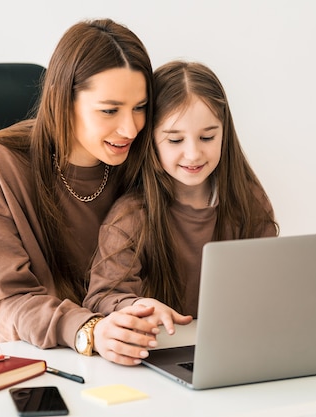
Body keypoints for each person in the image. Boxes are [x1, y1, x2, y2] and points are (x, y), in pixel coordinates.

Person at [0, 18, 161, 366]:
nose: (130, 127)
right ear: (62, 100)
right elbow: (7, 301)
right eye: (109, 110)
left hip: (134, 355)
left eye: (140, 107)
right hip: (40, 362)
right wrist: (90, 329)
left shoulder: (143, 159)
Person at [84, 60, 279, 335]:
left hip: (235, 343)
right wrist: (139, 305)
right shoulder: (131, 217)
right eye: (175, 140)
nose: (193, 154)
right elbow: (102, 298)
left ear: (225, 134)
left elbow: (272, 284)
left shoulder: (249, 202)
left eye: (207, 137)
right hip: (159, 349)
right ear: (150, 140)